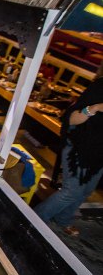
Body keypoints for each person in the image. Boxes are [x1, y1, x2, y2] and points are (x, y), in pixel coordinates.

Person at [35, 66, 103, 237]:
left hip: (98, 155)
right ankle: (33, 221)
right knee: (71, 191)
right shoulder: (99, 87)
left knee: (85, 191)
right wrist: (95, 108)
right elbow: (71, 119)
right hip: (79, 148)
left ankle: (63, 219)